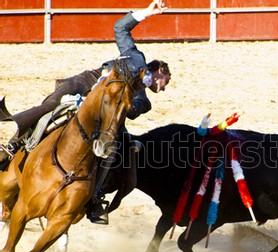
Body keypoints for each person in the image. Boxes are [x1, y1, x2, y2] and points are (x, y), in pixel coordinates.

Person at [0, 0, 171, 224]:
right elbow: (120, 27)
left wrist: (126, 100)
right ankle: (12, 145)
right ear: (159, 70)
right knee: (51, 105)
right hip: (88, 82)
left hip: (105, 112)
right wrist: (146, 13)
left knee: (114, 150)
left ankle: (95, 195)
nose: (164, 87)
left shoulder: (144, 100)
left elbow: (130, 112)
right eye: (165, 80)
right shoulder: (136, 58)